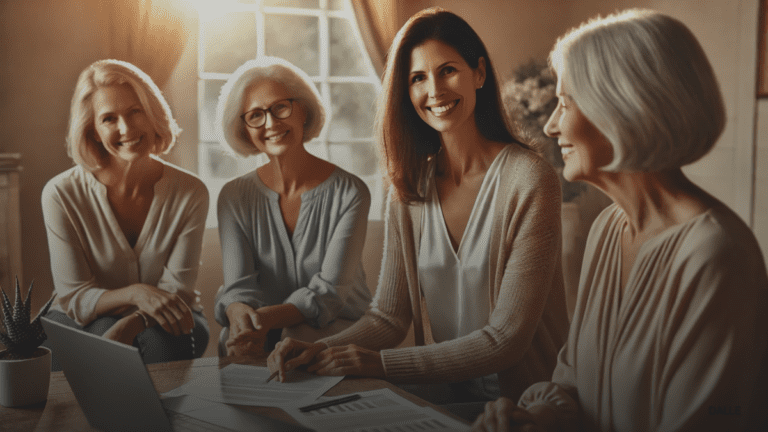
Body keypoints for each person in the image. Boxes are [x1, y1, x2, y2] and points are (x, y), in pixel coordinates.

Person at [472, 9, 768, 432]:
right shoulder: (608, 229)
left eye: (565, 103)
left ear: (624, 108)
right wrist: (532, 418)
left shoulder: (715, 255)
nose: (553, 126)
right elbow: (573, 380)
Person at [268, 7, 569, 412]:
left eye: (448, 70)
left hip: (527, 408)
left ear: (479, 73)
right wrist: (315, 348)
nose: (435, 91)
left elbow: (505, 340)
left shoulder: (532, 179)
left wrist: (379, 364)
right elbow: (389, 317)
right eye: (417, 78)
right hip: (445, 399)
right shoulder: (409, 188)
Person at [42, 59, 210, 370]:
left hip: (166, 316)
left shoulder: (191, 191)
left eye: (135, 111)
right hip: (80, 317)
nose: (127, 129)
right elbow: (75, 298)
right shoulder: (60, 193)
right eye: (109, 119)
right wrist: (137, 293)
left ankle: (160, 419)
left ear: (153, 113)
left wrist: (132, 323)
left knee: (162, 340)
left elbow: (176, 291)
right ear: (93, 130)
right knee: (95, 334)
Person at [213, 57, 372, 357]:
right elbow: (238, 286)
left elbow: (330, 295)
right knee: (228, 339)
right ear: (244, 128)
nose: (271, 124)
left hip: (342, 325)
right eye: (256, 115)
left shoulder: (351, 191)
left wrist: (260, 321)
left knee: (296, 334)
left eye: (280, 107)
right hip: (267, 326)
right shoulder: (232, 197)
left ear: (303, 110)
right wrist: (238, 313)